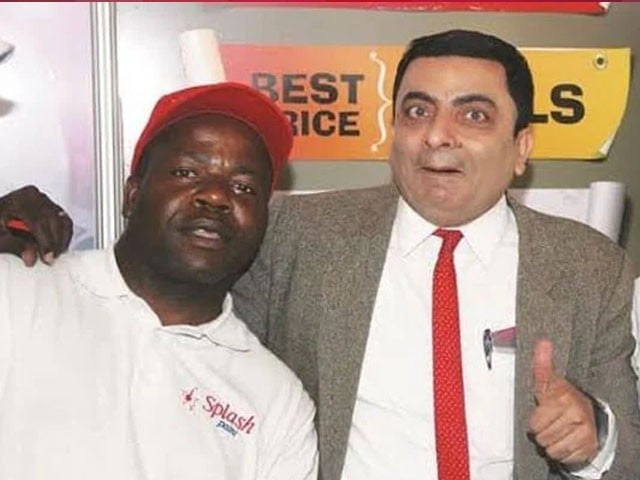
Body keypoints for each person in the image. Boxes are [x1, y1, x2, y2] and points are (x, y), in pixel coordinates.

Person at [1, 29, 639, 480]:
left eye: (474, 116)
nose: (438, 135)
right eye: (417, 111)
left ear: (522, 146)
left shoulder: (589, 268)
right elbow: (166, 272)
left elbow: (629, 457)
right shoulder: (297, 233)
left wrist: (595, 438)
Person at [0, 82, 318, 479]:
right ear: (131, 196)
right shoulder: (18, 292)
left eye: (243, 187)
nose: (216, 197)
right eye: (187, 172)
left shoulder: (276, 401)